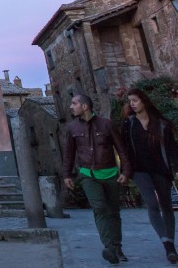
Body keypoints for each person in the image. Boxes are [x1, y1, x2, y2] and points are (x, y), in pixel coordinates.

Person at [63, 93, 132, 265]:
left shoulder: (106, 124)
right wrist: (67, 175)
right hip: (88, 174)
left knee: (113, 212)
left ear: (84, 106)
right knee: (99, 209)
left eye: (74, 103)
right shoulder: (72, 128)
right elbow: (69, 154)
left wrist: (125, 171)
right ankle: (108, 247)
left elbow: (121, 149)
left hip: (110, 174)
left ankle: (117, 246)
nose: (71, 107)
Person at [120, 88, 178, 264]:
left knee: (167, 206)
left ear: (144, 101)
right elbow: (123, 149)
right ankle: (167, 246)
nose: (132, 104)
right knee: (152, 203)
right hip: (140, 171)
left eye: (135, 100)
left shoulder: (161, 124)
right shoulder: (129, 124)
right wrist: (125, 172)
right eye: (130, 101)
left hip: (161, 170)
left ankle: (170, 243)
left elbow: (172, 148)